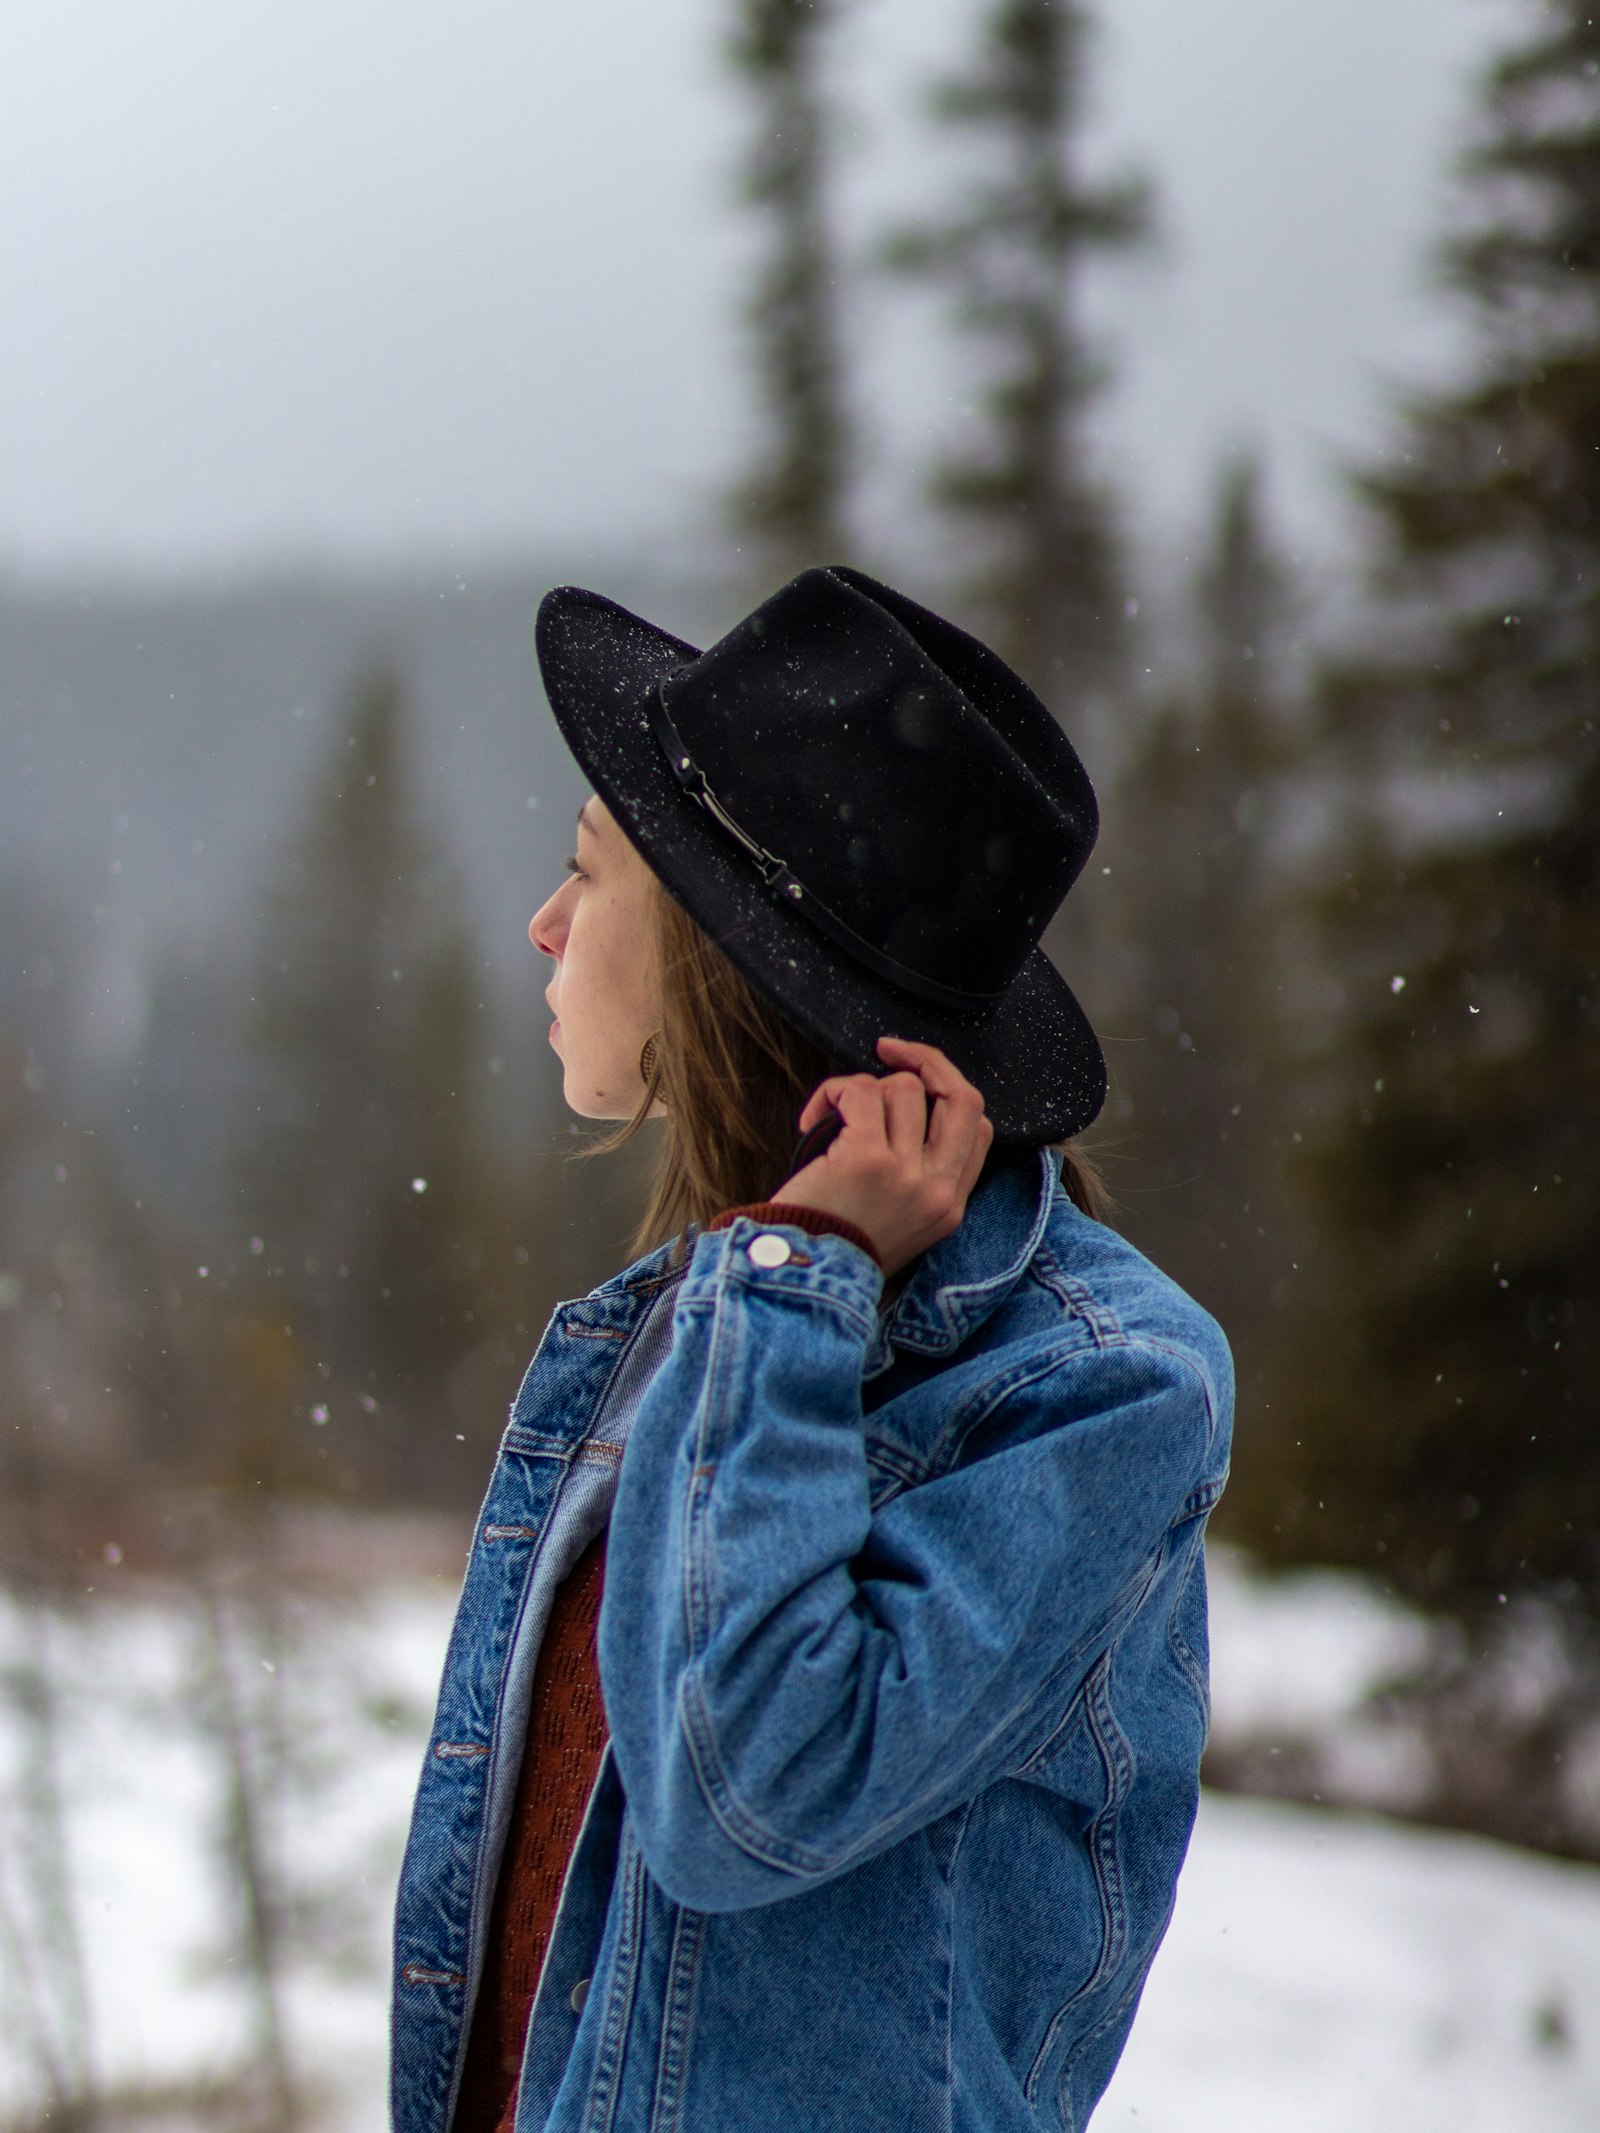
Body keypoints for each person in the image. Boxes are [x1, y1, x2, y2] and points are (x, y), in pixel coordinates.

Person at [389, 564, 1233, 2133]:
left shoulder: (1100, 1387)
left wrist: (801, 1280)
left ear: (723, 951)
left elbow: (746, 1792)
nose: (544, 923)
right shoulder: (695, 1319)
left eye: (591, 874)